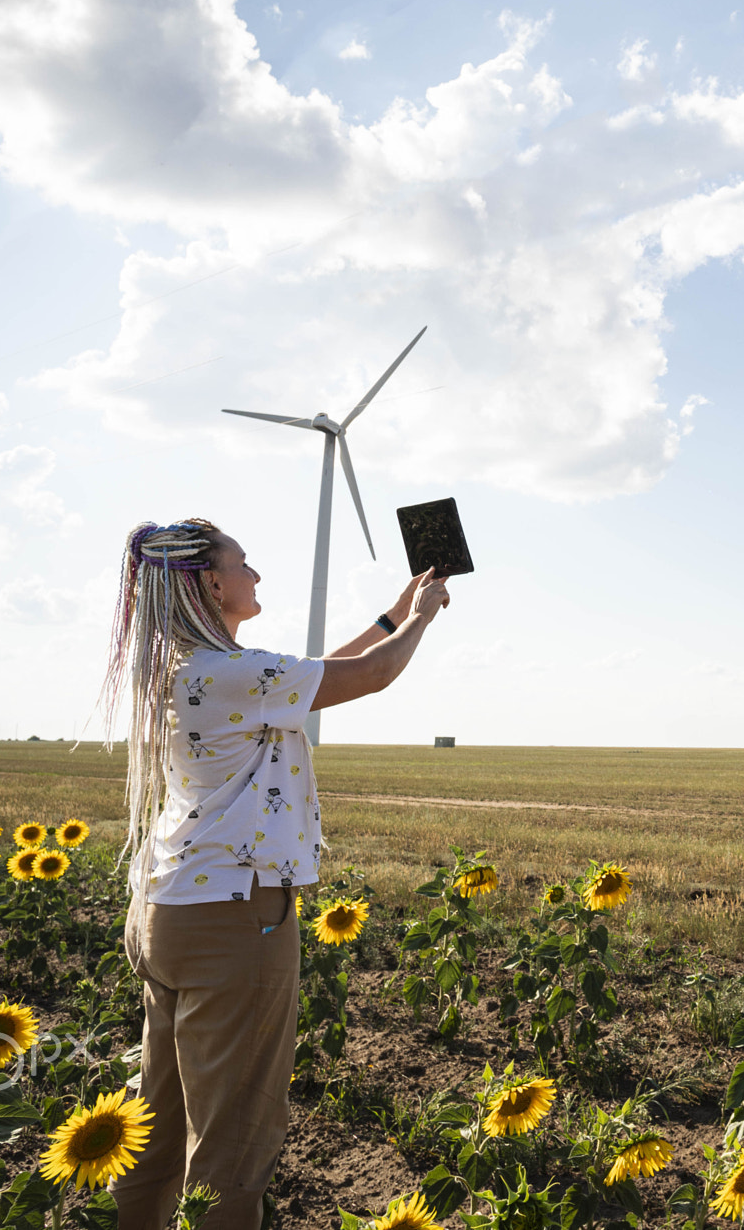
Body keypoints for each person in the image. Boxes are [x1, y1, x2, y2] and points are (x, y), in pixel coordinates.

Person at [101, 519, 448, 1230]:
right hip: (235, 918)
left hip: (168, 908)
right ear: (212, 582)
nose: (257, 575)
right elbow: (373, 674)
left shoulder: (189, 669)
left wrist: (391, 611)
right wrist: (421, 618)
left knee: (156, 1119)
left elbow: (320, 670)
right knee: (234, 1138)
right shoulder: (230, 673)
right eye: (245, 563)